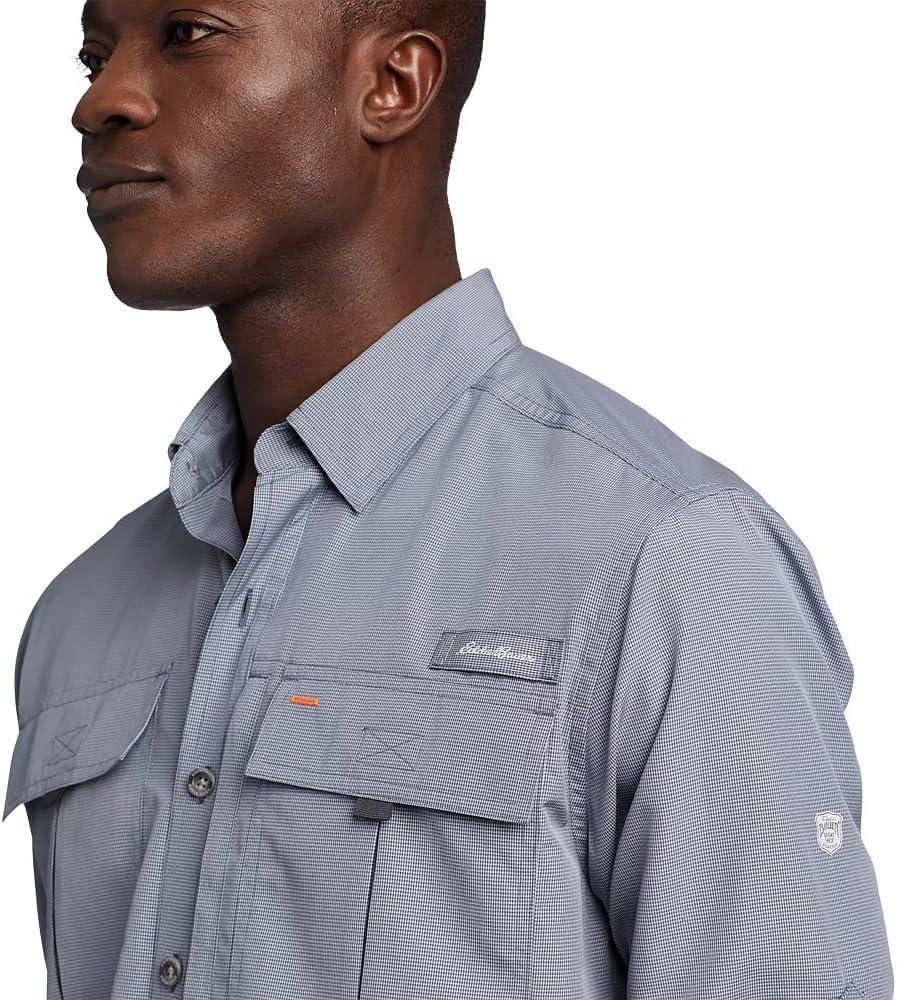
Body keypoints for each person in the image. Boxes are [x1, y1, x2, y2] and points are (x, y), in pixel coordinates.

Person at [4, 1, 892, 998]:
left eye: (188, 34)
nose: (100, 101)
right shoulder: (80, 615)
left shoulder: (659, 557)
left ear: (393, 86)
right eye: (92, 55)